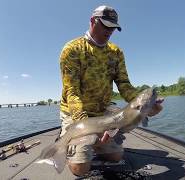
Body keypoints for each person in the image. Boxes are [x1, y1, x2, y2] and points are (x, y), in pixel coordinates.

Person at [59, 5, 163, 176]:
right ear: (93, 21)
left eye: (113, 28)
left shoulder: (116, 52)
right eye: (105, 26)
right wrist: (86, 126)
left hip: (103, 113)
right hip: (76, 115)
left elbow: (124, 85)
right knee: (80, 169)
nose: (110, 31)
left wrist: (143, 104)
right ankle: (68, 136)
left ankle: (96, 142)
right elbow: (72, 92)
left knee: (115, 156)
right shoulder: (72, 49)